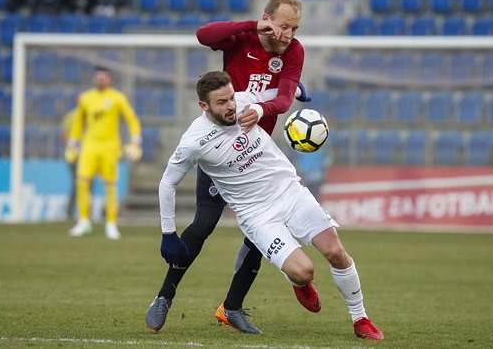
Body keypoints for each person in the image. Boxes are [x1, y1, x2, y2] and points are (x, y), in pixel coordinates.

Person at [156, 71, 384, 340]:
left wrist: (293, 90)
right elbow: (167, 183)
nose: (231, 106)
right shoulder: (194, 142)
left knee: (335, 251)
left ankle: (361, 319)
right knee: (303, 272)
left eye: (231, 97)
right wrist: (168, 233)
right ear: (203, 106)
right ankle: (299, 283)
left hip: (290, 192)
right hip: (257, 215)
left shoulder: (243, 102)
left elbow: (277, 93)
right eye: (221, 102)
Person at [145, 0, 312, 334]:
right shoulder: (243, 38)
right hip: (222, 154)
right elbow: (204, 35)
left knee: (262, 231)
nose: (287, 35)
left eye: (293, 28)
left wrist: (273, 103)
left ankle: (232, 307)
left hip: (258, 155)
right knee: (203, 225)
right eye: (282, 26)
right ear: (267, 19)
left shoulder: (294, 51)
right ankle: (164, 296)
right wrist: (254, 26)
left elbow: (282, 99)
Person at [65, 66, 142, 240]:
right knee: (82, 183)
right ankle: (83, 221)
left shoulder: (117, 98)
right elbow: (78, 123)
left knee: (110, 186)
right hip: (89, 146)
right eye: (98, 77)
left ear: (109, 79)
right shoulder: (86, 98)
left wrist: (135, 140)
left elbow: (132, 119)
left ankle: (111, 224)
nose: (101, 80)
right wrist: (72, 143)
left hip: (109, 147)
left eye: (104, 77)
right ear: (94, 79)